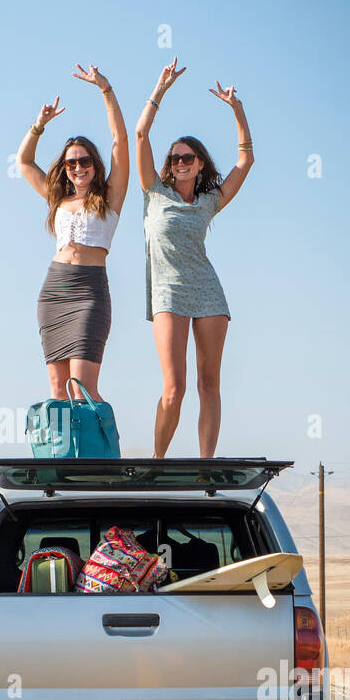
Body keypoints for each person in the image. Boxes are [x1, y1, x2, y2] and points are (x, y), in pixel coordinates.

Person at [135, 57, 254, 457]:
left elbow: (245, 160)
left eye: (188, 158)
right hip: (167, 291)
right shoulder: (154, 191)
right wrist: (160, 89)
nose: (180, 163)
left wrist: (237, 110)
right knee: (174, 387)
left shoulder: (208, 201)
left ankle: (206, 466)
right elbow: (139, 134)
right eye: (175, 158)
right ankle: (157, 461)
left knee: (209, 384)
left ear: (200, 163)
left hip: (208, 292)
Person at [17, 65, 128, 402]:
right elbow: (23, 161)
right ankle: (63, 456)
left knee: (83, 390)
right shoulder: (57, 198)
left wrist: (105, 89)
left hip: (90, 290)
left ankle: (99, 455)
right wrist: (39, 125)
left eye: (85, 161)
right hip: (54, 291)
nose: (78, 167)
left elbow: (121, 141)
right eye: (71, 163)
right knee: (58, 391)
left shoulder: (110, 198)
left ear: (95, 164)